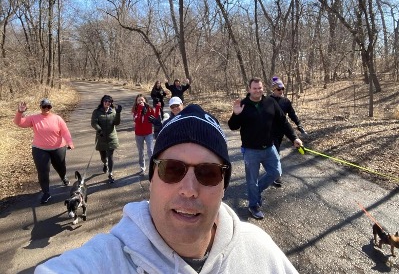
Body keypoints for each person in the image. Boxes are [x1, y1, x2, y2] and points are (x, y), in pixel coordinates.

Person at [35, 104, 299, 274]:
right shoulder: (104, 261)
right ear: (152, 179)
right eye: (172, 169)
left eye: (207, 173)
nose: (189, 189)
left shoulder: (260, 251)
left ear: (224, 186)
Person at [228, 77, 303, 220]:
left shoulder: (270, 102)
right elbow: (233, 126)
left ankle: (254, 193)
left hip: (270, 148)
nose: (257, 90)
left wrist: (294, 138)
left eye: (260, 88)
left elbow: (283, 122)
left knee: (276, 172)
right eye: (254, 88)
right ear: (249, 89)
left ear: (263, 88)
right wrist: (235, 114)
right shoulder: (243, 105)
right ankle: (254, 205)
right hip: (251, 150)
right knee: (251, 180)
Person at [13, 98, 74, 204]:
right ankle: (46, 193)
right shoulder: (34, 118)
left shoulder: (57, 118)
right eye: (44, 106)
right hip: (39, 149)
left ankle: (63, 176)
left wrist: (70, 142)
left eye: (48, 106)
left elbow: (65, 131)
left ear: (51, 107)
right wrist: (20, 112)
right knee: (43, 172)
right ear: (40, 107)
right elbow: (19, 123)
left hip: (58, 147)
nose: (46, 108)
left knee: (60, 166)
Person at [269, 76, 307, 187]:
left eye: (282, 89)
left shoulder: (286, 101)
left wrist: (299, 125)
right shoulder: (267, 101)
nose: (281, 91)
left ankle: (272, 171)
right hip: (270, 132)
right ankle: (276, 176)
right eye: (278, 89)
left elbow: (292, 114)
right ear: (273, 89)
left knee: (275, 152)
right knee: (275, 153)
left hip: (282, 130)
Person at [91, 95, 122, 184]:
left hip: (111, 137)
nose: (107, 103)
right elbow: (93, 123)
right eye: (106, 101)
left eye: (109, 101)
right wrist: (98, 129)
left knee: (110, 155)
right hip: (101, 137)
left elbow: (117, 123)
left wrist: (118, 113)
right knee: (103, 157)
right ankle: (105, 163)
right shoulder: (96, 112)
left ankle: (110, 173)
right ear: (102, 101)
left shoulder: (113, 112)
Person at [131, 94, 161, 175]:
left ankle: (153, 167)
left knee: (150, 151)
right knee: (140, 151)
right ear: (136, 102)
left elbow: (155, 116)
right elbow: (137, 120)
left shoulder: (149, 108)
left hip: (148, 133)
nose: (140, 101)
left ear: (145, 100)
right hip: (139, 134)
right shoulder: (135, 110)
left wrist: (158, 107)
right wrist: (140, 109)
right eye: (138, 100)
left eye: (142, 100)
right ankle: (142, 168)